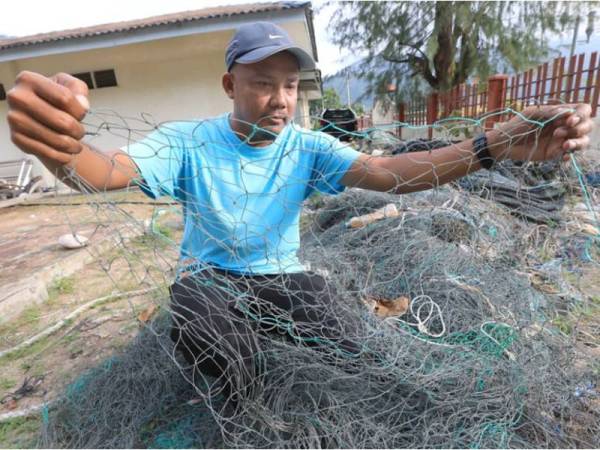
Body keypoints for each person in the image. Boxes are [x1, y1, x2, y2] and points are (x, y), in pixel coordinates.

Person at [6, 22, 593, 404]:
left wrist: (489, 147)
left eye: (289, 85)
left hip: (282, 276)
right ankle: (248, 405)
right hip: (208, 280)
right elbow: (108, 171)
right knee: (202, 322)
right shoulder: (185, 141)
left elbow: (387, 175)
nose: (281, 99)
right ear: (229, 84)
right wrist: (58, 148)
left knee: (345, 336)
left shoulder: (307, 147)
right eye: (263, 83)